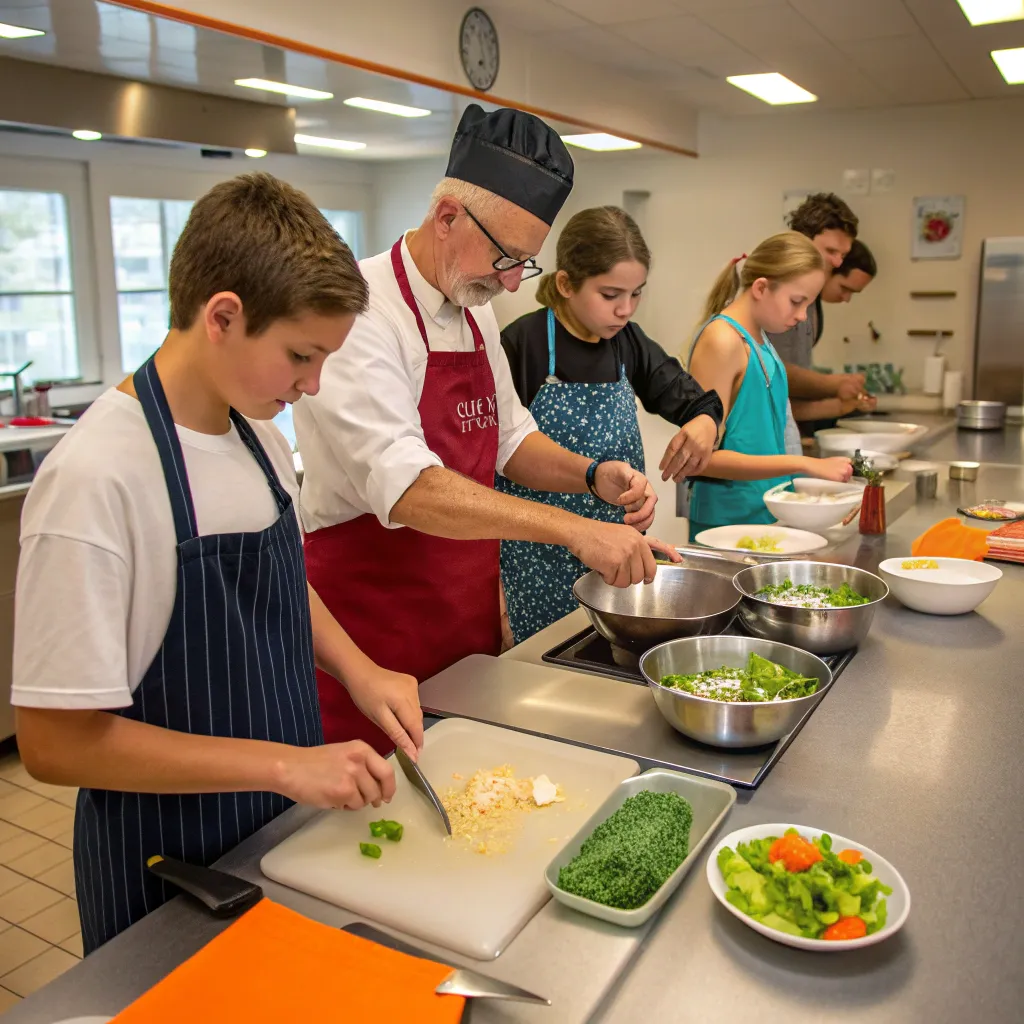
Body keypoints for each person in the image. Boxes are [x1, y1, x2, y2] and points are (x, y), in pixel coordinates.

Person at [11, 173, 424, 953]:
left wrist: (358, 670)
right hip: (168, 873)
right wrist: (284, 767)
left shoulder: (259, 435)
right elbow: (53, 744)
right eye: (301, 355)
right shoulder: (96, 478)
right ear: (223, 316)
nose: (314, 385)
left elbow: (278, 587)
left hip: (281, 841)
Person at [295, 106, 677, 753]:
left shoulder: (473, 307)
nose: (508, 281)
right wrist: (575, 529)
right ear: (447, 216)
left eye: (523, 265)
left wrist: (589, 476)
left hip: (462, 633)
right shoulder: (358, 312)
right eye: (505, 257)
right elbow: (410, 489)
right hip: (371, 640)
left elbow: (509, 438)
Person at [499, 206, 723, 643]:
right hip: (537, 558)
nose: (625, 309)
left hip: (619, 554)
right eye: (610, 294)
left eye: (636, 294)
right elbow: (490, 459)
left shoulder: (627, 343)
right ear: (565, 284)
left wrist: (703, 424)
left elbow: (694, 399)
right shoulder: (521, 344)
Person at [686, 232, 854, 535]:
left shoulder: (760, 340)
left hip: (765, 513)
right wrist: (803, 465)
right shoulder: (722, 341)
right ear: (761, 287)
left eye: (808, 305)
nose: (802, 316)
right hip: (727, 523)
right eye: (796, 302)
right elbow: (701, 459)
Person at [769, 193, 873, 410]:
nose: (837, 262)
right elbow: (770, 372)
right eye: (831, 251)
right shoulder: (775, 289)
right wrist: (834, 384)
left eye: (842, 255)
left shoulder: (810, 299)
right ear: (802, 240)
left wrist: (841, 404)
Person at [791, 240, 878, 428]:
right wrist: (834, 384)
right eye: (844, 288)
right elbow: (778, 375)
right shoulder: (790, 310)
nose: (846, 299)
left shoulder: (813, 307)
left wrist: (841, 403)